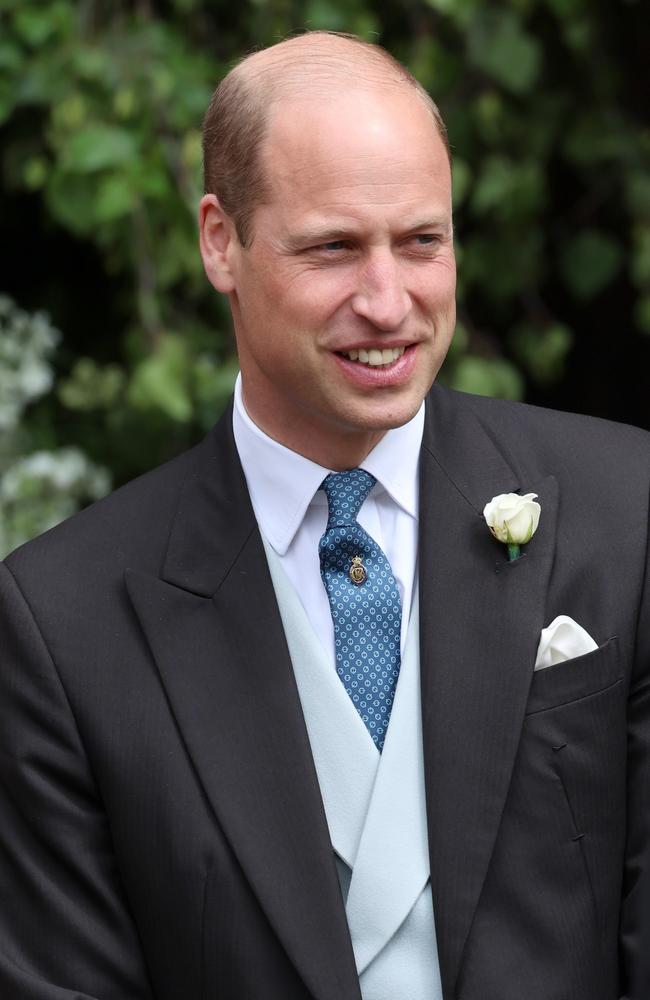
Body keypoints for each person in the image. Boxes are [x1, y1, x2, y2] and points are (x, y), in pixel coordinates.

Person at [0, 30, 648, 1000]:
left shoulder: (624, 509)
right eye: (334, 247)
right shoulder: (60, 621)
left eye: (421, 241)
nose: (387, 302)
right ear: (221, 240)